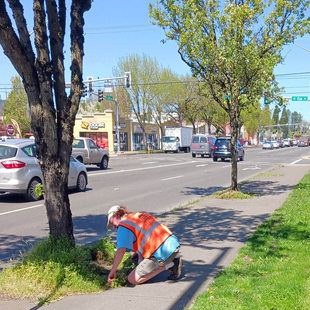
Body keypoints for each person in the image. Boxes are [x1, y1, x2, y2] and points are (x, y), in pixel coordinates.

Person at [106, 205, 182, 285]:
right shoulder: (137, 216)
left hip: (162, 251)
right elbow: (147, 236)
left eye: (111, 222)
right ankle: (170, 260)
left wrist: (113, 270)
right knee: (137, 258)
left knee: (132, 279)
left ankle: (171, 264)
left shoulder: (123, 225)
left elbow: (121, 250)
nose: (113, 226)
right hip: (172, 243)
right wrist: (138, 253)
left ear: (116, 215)